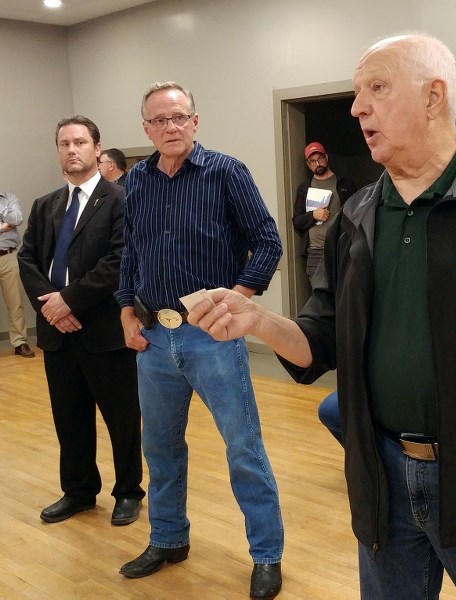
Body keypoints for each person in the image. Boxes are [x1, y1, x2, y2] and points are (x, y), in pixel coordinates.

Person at [186, 33, 456, 600]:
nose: (357, 107)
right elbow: (321, 337)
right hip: (383, 487)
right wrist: (258, 321)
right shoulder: (359, 214)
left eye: (377, 89)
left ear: (434, 95)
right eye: (358, 93)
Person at [115, 81, 284, 600]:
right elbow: (132, 253)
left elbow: (267, 242)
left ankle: (266, 555)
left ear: (195, 121)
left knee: (242, 448)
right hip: (154, 337)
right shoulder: (137, 182)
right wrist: (126, 309)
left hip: (212, 339)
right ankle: (168, 538)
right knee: (161, 448)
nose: (170, 127)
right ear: (145, 128)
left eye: (178, 117)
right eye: (158, 120)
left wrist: (235, 299)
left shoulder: (225, 172)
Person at [18, 116, 144, 527]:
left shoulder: (121, 200)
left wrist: (68, 301)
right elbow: (28, 260)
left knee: (122, 419)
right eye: (64, 144)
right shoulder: (45, 205)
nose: (71, 150)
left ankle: (128, 491)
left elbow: (119, 260)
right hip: (59, 336)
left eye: (79, 142)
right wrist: (51, 309)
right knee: (69, 418)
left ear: (96, 148)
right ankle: (78, 491)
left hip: (105, 330)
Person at [292, 142, 356, 284]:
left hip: (340, 249)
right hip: (315, 252)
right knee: (319, 298)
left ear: (326, 157)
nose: (317, 163)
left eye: (320, 158)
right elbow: (297, 220)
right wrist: (313, 216)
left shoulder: (345, 184)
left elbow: (357, 215)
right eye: (312, 161)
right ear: (308, 164)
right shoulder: (304, 188)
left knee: (342, 296)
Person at [0, 191, 34, 357]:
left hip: (9, 255)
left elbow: (17, 219)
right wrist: (2, 227)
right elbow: (9, 222)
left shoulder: (9, 198)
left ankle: (20, 342)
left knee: (15, 302)